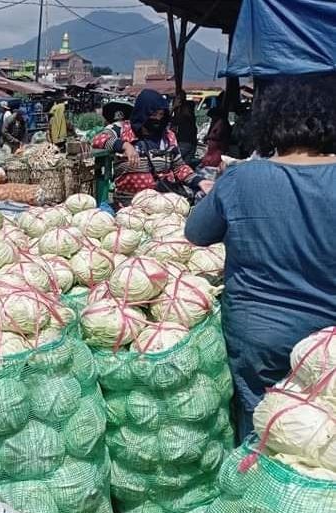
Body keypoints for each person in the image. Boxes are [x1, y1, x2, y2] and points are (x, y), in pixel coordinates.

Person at [184, 74, 336, 442]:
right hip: (329, 339)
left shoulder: (242, 178)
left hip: (260, 336)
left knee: (262, 434)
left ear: (268, 129)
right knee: (325, 439)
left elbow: (196, 233)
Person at [93, 89, 213, 209]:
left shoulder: (168, 136)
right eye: (153, 114)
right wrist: (125, 145)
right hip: (129, 203)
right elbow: (98, 140)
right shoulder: (122, 129)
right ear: (142, 112)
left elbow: (179, 167)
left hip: (162, 202)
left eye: (161, 115)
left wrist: (199, 181)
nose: (158, 119)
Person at [171, 91, 198, 165]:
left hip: (185, 141)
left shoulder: (187, 107)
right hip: (189, 141)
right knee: (184, 165)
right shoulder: (180, 113)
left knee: (176, 163)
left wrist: (174, 107)